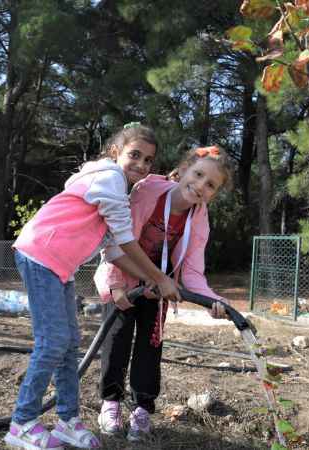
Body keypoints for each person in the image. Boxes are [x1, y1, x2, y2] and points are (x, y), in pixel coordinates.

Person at [5, 124, 181, 450]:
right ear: (116, 152)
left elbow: (113, 250)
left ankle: (67, 421)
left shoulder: (115, 190)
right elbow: (127, 241)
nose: (141, 165)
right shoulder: (110, 178)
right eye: (135, 155)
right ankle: (22, 424)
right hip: (40, 254)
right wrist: (159, 277)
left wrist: (147, 281)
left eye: (148, 161)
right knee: (53, 341)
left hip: (60, 267)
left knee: (69, 342)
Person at [94, 145, 235, 441]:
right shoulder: (148, 191)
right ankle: (110, 403)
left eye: (210, 185)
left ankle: (142, 409)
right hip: (123, 280)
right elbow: (116, 237)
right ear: (183, 170)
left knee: (150, 345)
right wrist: (116, 282)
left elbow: (193, 271)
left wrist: (213, 300)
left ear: (214, 193)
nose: (200, 186)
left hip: (158, 289)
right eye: (197, 175)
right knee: (116, 340)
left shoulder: (199, 218)